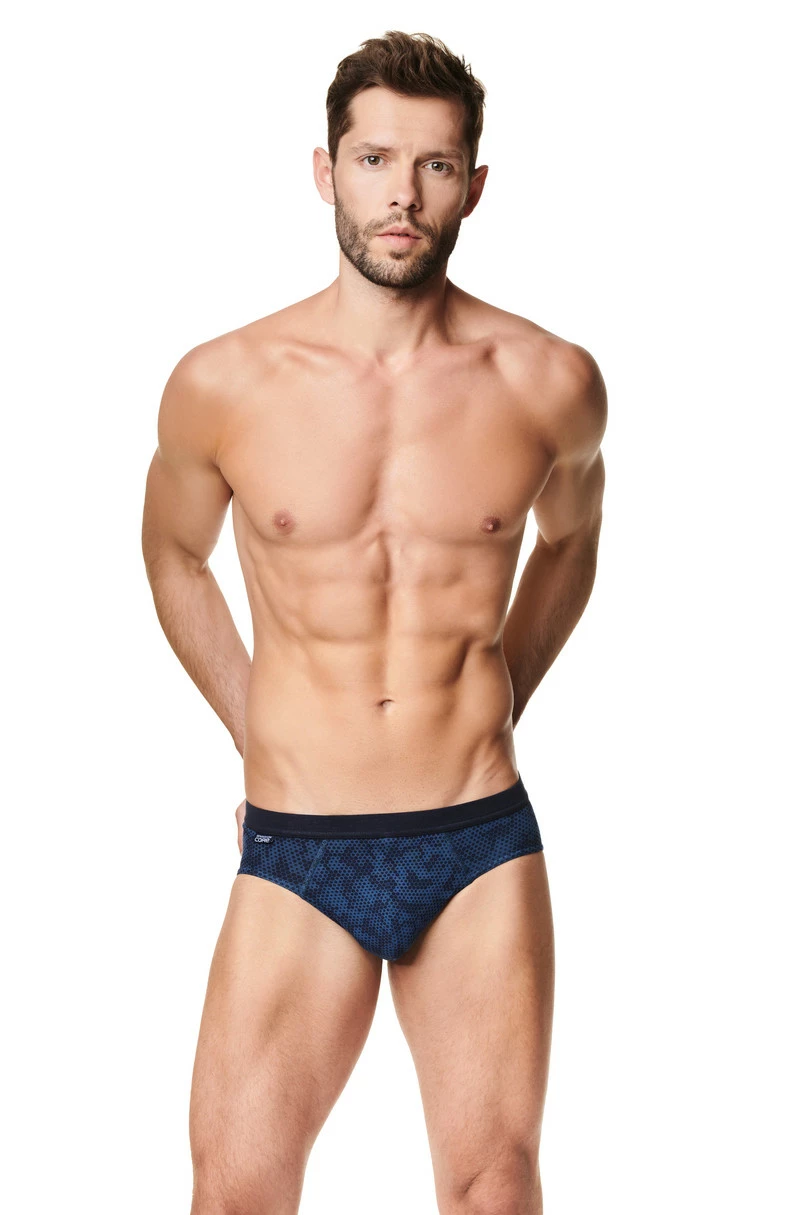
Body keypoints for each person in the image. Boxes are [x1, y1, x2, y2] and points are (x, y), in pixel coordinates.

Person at [141, 29, 606, 1215]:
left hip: (475, 836)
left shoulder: (549, 381)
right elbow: (173, 554)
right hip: (301, 843)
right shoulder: (225, 382)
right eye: (374, 160)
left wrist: (506, 692)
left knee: (494, 1188)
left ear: (474, 187)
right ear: (325, 171)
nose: (402, 195)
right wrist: (256, 727)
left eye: (434, 166)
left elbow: (571, 541)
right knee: (237, 1193)